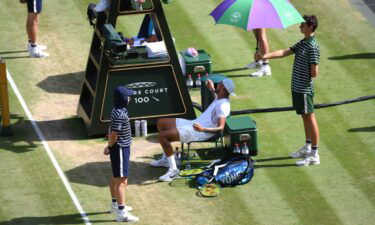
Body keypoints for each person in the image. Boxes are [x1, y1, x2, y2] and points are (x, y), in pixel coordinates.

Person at [255, 15, 320, 166]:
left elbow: (314, 73)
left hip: (304, 89)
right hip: (297, 88)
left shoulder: (312, 46)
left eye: (302, 25)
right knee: (305, 118)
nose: (300, 27)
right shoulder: (304, 42)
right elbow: (285, 52)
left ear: (310, 27)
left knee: (310, 118)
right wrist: (265, 56)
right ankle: (308, 146)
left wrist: (303, 72)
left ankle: (314, 154)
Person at [151, 78, 236, 181]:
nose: (218, 84)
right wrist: (212, 89)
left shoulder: (223, 106)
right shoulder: (220, 97)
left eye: (220, 84)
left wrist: (202, 129)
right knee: (161, 122)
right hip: (193, 124)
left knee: (163, 136)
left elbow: (220, 128)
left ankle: (173, 171)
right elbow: (216, 99)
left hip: (198, 132)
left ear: (222, 88)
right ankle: (166, 160)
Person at [103, 86, 139, 222]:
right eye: (128, 96)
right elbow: (113, 134)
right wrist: (109, 147)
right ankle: (121, 213)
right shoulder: (120, 114)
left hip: (119, 148)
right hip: (120, 148)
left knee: (116, 177)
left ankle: (115, 205)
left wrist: (110, 146)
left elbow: (112, 130)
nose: (130, 98)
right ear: (124, 99)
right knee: (122, 181)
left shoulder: (117, 110)